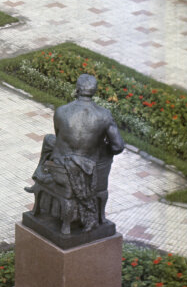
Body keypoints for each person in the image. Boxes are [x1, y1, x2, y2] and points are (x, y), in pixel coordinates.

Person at [25, 74, 126, 234]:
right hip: (87, 169)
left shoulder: (61, 111)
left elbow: (60, 138)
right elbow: (118, 146)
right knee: (53, 142)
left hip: (59, 167)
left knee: (49, 140)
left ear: (77, 89)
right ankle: (98, 215)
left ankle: (39, 174)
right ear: (94, 91)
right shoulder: (104, 115)